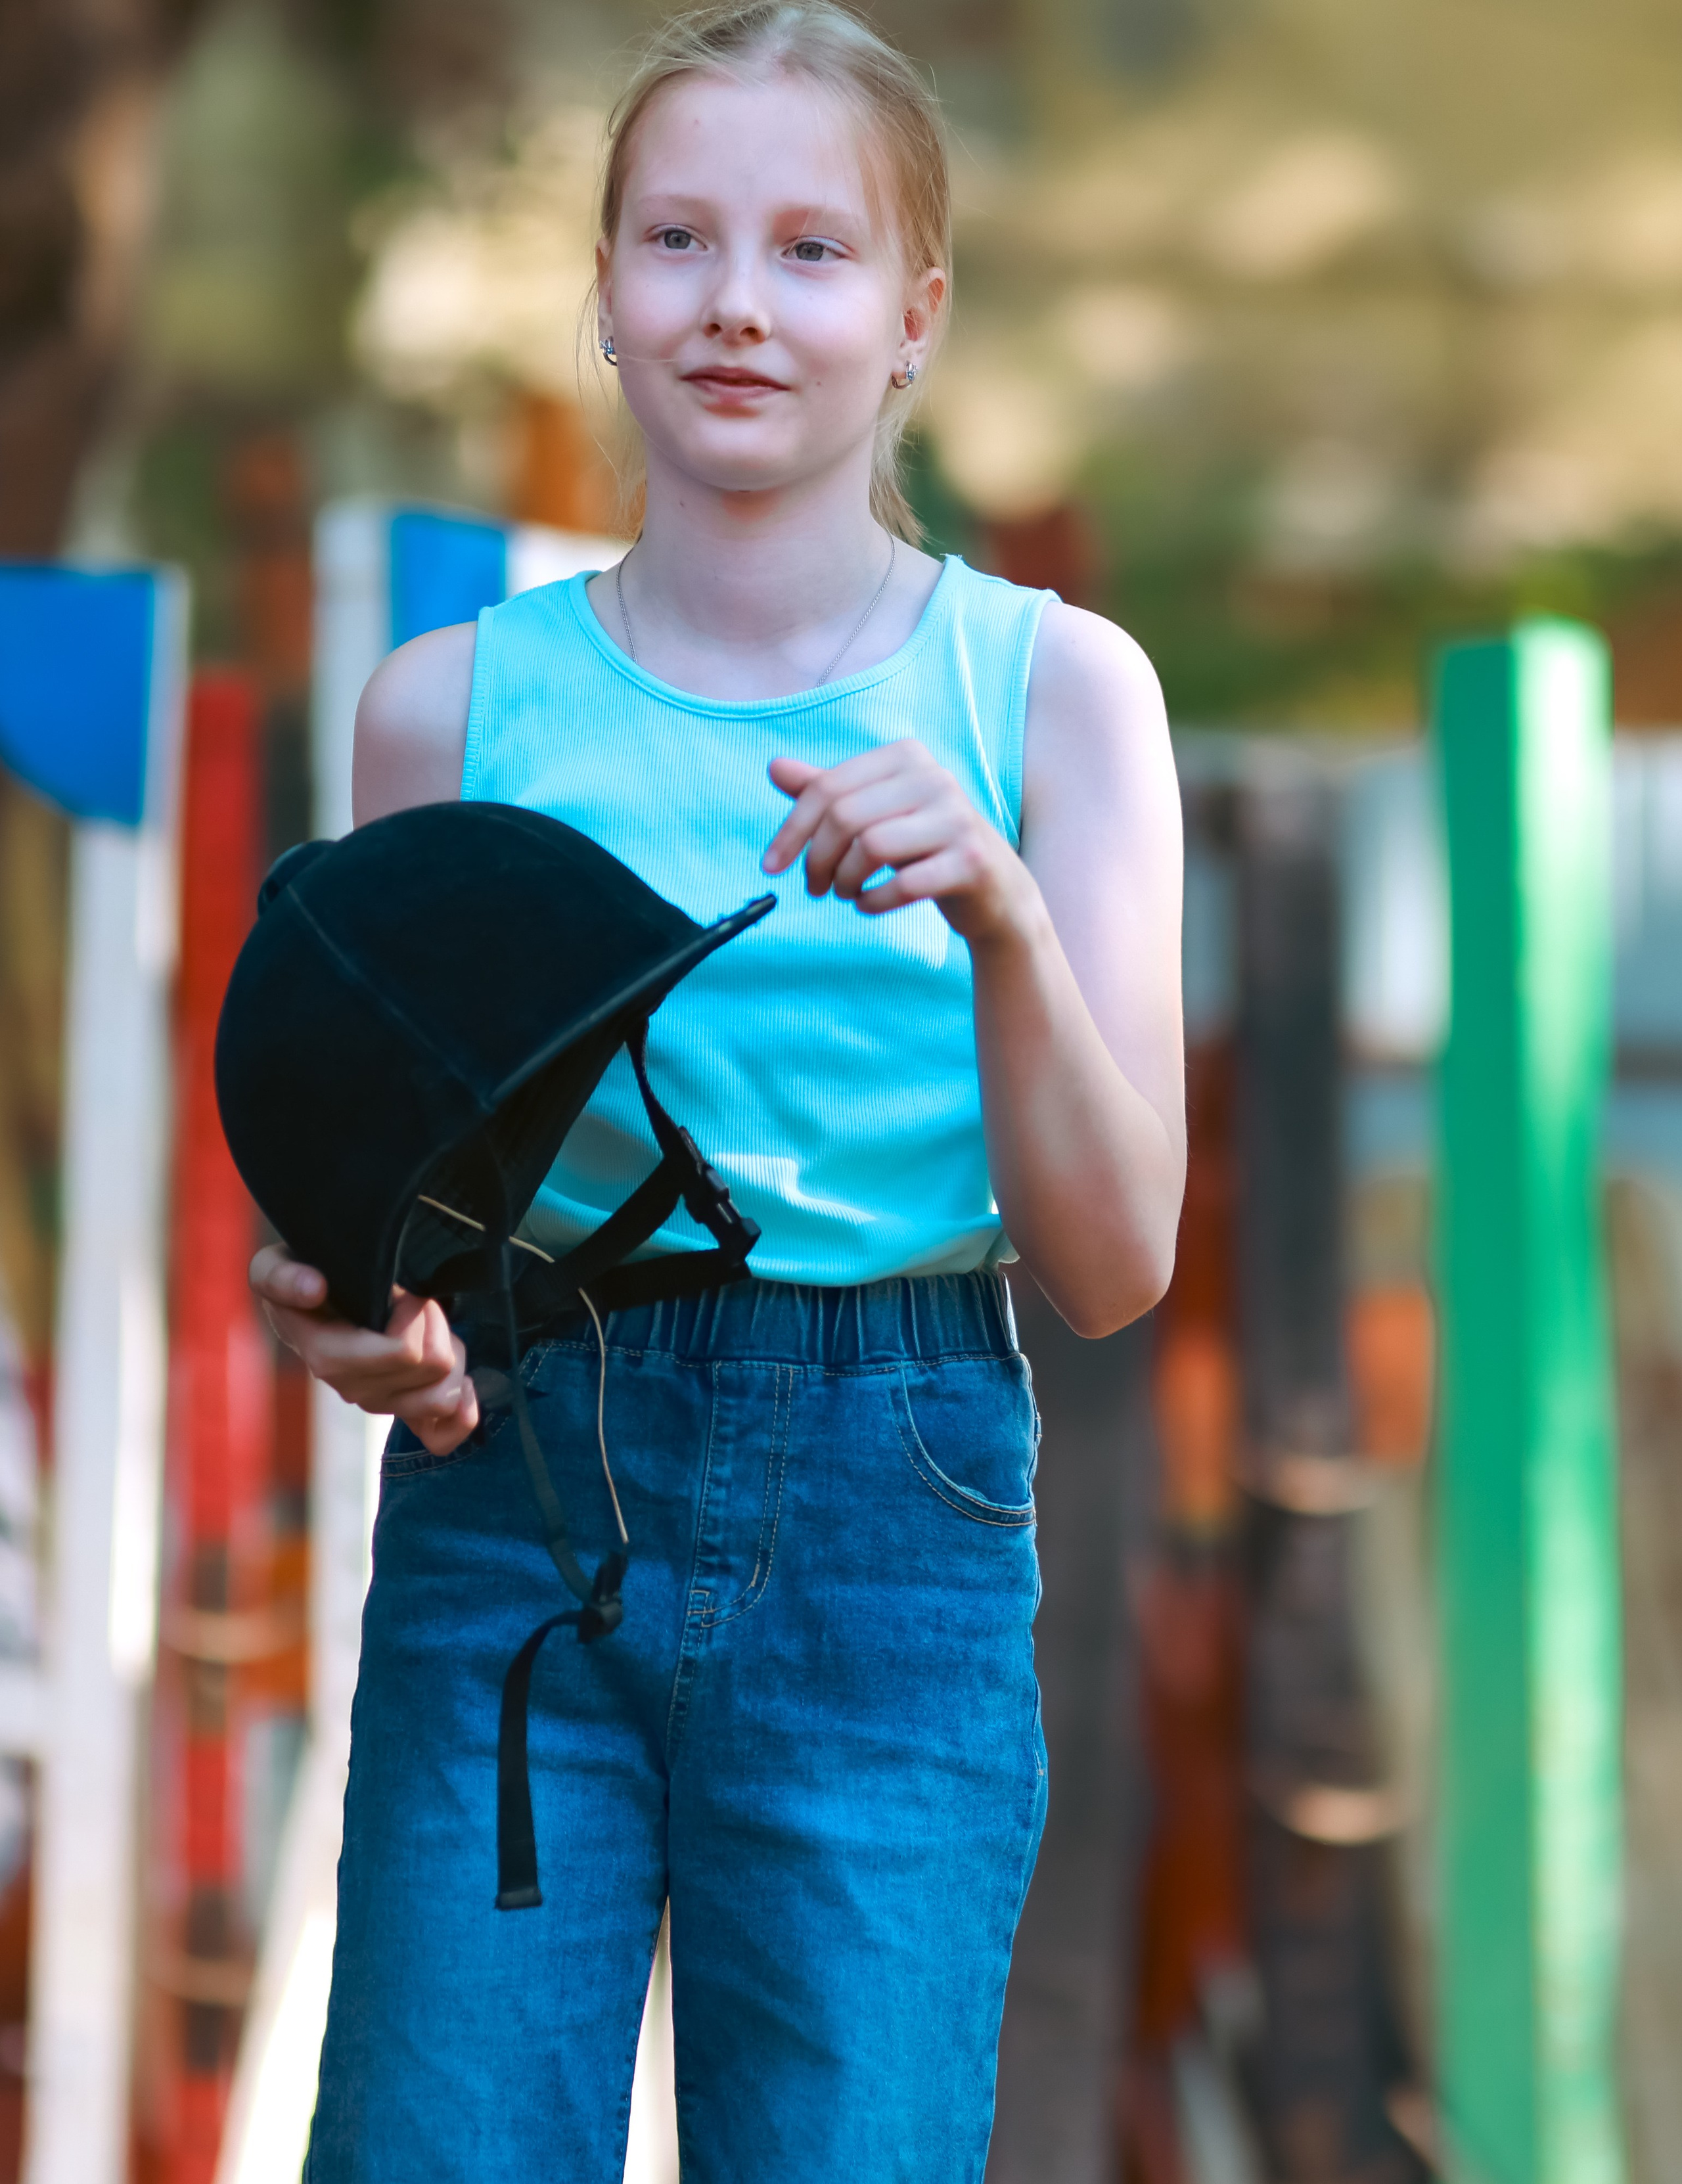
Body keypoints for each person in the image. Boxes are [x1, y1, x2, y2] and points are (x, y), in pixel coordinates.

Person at [256, 5, 1185, 2177]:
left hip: (903, 1512)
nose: (738, 303)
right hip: (518, 1522)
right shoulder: (443, 711)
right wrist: (347, 1328)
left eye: (810, 250)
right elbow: (364, 1223)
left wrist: (1004, 916)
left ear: (917, 316)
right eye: (676, 239)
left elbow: (1120, 1262)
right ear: (602, 290)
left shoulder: (1053, 694)